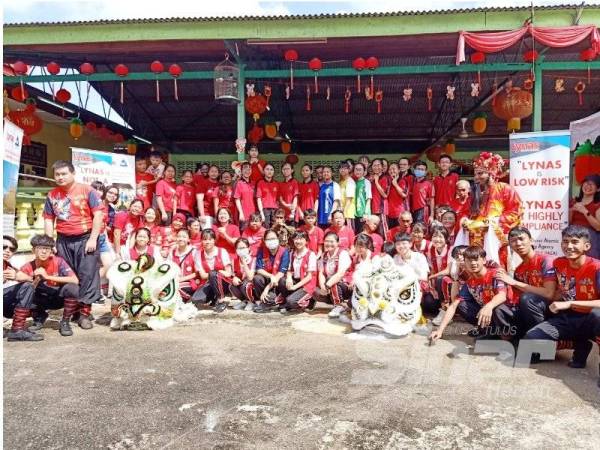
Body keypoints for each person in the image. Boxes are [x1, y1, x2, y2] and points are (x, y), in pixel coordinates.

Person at [523, 225, 600, 369]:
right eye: (565, 241)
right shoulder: (558, 263)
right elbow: (557, 290)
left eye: (575, 242)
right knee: (531, 339)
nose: (569, 246)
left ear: (587, 246)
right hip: (567, 317)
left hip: (591, 318)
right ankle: (579, 344)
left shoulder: (596, 267)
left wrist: (570, 303)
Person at [43, 160, 103, 333]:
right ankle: (72, 311)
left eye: (63, 174)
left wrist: (93, 238)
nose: (60, 177)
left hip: (85, 239)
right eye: (57, 175)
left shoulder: (87, 190)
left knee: (87, 275)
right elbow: (48, 218)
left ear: (72, 173)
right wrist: (49, 241)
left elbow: (98, 214)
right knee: (69, 275)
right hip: (63, 240)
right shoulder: (52, 195)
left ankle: (84, 313)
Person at [430, 246, 518, 343]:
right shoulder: (470, 282)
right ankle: (490, 332)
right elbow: (453, 305)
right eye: (469, 260)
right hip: (489, 314)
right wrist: (440, 330)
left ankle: (510, 340)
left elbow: (502, 296)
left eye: (476, 259)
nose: (473, 263)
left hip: (508, 314)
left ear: (484, 260)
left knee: (498, 309)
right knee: (460, 304)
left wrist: (488, 306)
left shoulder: (496, 274)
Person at [11, 235, 79, 340]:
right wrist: (35, 279)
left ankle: (65, 322)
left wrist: (47, 277)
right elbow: (23, 288)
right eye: (40, 248)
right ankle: (39, 317)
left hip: (57, 297)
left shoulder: (58, 261)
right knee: (25, 291)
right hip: (40, 300)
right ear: (33, 250)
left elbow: (75, 280)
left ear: (51, 251)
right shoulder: (28, 266)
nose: (44, 252)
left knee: (72, 288)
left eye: (47, 249)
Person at [463, 152, 523, 269]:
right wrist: (468, 222)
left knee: (498, 269)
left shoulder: (504, 188)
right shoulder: (479, 193)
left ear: (491, 173)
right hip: (479, 239)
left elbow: (516, 212)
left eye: (480, 173)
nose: (477, 177)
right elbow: (476, 215)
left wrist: (493, 222)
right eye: (475, 174)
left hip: (497, 238)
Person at [494, 226, 556, 333]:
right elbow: (517, 299)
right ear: (510, 246)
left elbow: (549, 293)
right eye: (513, 241)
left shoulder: (546, 260)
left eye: (521, 239)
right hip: (531, 308)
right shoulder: (519, 269)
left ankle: (544, 338)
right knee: (500, 309)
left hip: (554, 307)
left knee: (527, 298)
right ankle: (513, 340)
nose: (518, 243)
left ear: (531, 241)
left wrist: (514, 282)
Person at [313, 232, 353, 318]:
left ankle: (338, 306)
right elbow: (321, 273)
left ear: (338, 243)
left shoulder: (343, 253)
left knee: (333, 280)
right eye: (326, 241)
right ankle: (340, 303)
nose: (329, 244)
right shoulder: (324, 255)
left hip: (345, 285)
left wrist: (327, 285)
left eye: (332, 241)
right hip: (329, 285)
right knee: (315, 292)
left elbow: (340, 274)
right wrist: (323, 286)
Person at [192, 229, 233, 313]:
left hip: (223, 282)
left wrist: (215, 274)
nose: (207, 242)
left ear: (214, 240)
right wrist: (215, 274)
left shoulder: (222, 251)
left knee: (213, 274)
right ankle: (213, 298)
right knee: (196, 299)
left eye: (210, 239)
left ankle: (221, 300)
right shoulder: (198, 254)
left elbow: (228, 273)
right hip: (208, 283)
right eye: (204, 239)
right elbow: (203, 275)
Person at [277, 231, 317, 313]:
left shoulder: (311, 255)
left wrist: (294, 287)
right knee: (282, 281)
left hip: (306, 284)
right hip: (296, 281)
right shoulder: (292, 254)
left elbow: (309, 277)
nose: (298, 241)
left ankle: (310, 301)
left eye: (301, 239)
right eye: (296, 239)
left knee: (291, 302)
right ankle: (287, 301)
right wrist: (288, 278)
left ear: (306, 241)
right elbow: (289, 270)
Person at [253, 229, 290, 313]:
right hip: (267, 278)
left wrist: (266, 289)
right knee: (257, 278)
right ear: (264, 241)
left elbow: (281, 272)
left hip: (278, 281)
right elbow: (259, 269)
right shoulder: (261, 251)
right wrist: (271, 276)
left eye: (273, 238)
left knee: (283, 281)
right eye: (268, 239)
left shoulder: (284, 251)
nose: (271, 241)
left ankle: (282, 301)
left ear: (278, 238)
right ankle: (264, 301)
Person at [569, 174, 600, 259]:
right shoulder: (574, 201)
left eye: (591, 184)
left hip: (590, 237)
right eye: (586, 183)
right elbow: (568, 222)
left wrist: (585, 211)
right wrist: (571, 211)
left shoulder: (597, 204)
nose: (587, 186)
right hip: (572, 235)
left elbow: (598, 227)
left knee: (590, 263)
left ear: (598, 189)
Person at [169, 229, 203, 302]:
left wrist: (181, 279)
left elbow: (197, 273)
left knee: (175, 288)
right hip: (175, 281)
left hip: (191, 282)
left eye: (184, 237)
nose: (181, 239)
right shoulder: (172, 252)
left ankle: (189, 300)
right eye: (179, 236)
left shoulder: (194, 252)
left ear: (188, 239)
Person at [229, 238, 257, 311]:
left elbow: (250, 277)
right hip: (242, 283)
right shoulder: (234, 261)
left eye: (243, 248)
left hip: (252, 286)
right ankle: (244, 301)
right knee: (231, 285)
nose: (241, 250)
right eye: (239, 248)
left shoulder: (253, 259)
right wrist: (234, 278)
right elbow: (233, 274)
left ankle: (252, 302)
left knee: (246, 284)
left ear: (248, 248)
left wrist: (244, 262)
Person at [386, 162, 410, 229]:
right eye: (390, 169)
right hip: (389, 213)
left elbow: (404, 195)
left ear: (399, 170)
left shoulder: (403, 181)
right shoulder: (388, 182)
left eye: (394, 169)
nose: (392, 171)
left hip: (400, 213)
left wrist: (395, 184)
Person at [369, 158, 389, 235]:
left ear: (382, 167)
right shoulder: (371, 178)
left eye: (378, 165)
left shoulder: (385, 178)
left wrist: (377, 182)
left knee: (383, 231)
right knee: (375, 232)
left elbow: (385, 195)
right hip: (373, 209)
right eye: (374, 165)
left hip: (382, 209)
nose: (376, 167)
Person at [256, 163, 280, 228]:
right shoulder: (260, 183)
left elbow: (278, 200)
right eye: (267, 169)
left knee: (275, 229)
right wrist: (261, 212)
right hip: (265, 210)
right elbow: (258, 198)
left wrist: (277, 211)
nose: (269, 171)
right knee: (266, 229)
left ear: (274, 172)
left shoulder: (276, 183)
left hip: (275, 210)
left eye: (271, 170)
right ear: (263, 171)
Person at [234, 162, 256, 230]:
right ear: (241, 171)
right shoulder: (239, 183)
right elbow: (237, 199)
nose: (247, 171)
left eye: (249, 169)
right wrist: (241, 213)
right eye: (245, 168)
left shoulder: (253, 183)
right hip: (244, 214)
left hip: (254, 215)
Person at [352, 162, 372, 232]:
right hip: (355, 214)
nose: (358, 171)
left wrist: (366, 213)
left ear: (364, 171)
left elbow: (368, 198)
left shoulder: (366, 182)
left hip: (363, 214)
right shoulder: (354, 182)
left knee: (363, 233)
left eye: (360, 169)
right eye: (356, 169)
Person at [338, 162, 356, 229]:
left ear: (349, 170)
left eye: (345, 168)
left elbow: (349, 199)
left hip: (348, 213)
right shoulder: (341, 182)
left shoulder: (350, 181)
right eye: (341, 168)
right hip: (342, 213)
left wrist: (343, 213)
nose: (342, 170)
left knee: (349, 232)